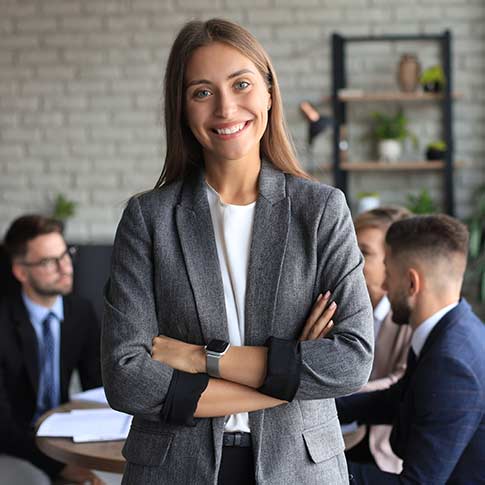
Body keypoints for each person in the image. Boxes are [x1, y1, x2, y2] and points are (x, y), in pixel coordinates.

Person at [102, 18, 373, 485]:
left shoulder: (322, 210)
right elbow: (126, 378)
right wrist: (288, 380)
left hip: (300, 467)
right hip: (173, 470)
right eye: (202, 92)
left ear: (269, 91)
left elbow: (351, 361)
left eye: (241, 84)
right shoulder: (149, 218)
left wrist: (197, 358)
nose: (226, 108)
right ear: (183, 109)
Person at [337, 214, 485, 484]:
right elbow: (397, 399)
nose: (383, 286)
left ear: (412, 283)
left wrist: (323, 471)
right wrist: (320, 410)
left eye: (389, 275)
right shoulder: (455, 328)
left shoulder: (451, 362)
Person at [0, 215, 104, 485]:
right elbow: (2, 424)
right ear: (21, 272)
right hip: (11, 443)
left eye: (65, 254)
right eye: (49, 262)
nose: (65, 267)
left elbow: (98, 385)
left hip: (60, 432)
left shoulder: (80, 312)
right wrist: (57, 466)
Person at [344, 207, 413, 473]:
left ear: (392, 261)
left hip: (387, 449)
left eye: (365, 252)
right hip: (343, 437)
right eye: (350, 249)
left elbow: (402, 380)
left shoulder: (410, 316)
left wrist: (342, 390)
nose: (352, 259)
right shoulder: (342, 307)